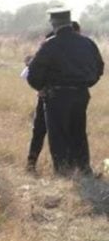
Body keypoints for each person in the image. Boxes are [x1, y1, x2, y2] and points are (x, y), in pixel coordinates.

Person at [27, 9, 103, 176]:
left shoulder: (50, 44)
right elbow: (99, 68)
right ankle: (83, 168)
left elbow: (33, 73)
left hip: (57, 95)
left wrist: (42, 88)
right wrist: (86, 84)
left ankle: (63, 171)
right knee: (78, 131)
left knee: (58, 134)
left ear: (53, 24)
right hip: (81, 94)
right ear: (69, 22)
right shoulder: (87, 43)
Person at [24, 21, 81, 173]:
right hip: (49, 94)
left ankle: (68, 166)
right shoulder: (52, 42)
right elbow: (37, 67)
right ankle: (32, 162)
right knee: (42, 130)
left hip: (56, 94)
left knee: (52, 130)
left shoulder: (70, 46)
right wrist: (41, 87)